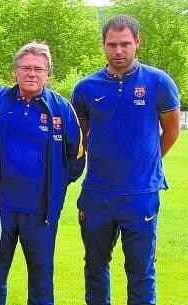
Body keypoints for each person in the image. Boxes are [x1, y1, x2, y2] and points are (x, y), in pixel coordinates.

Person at [71, 15, 181, 305]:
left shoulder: (159, 82)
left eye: (125, 44)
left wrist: (147, 162)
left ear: (137, 43)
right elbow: (80, 137)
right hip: (97, 194)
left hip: (141, 195)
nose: (118, 51)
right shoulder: (85, 88)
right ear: (103, 45)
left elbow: (171, 130)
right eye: (112, 45)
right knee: (95, 268)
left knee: (141, 272)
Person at [0, 42, 85, 305]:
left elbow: (77, 158)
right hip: (0, 209)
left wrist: (56, 184)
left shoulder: (61, 108)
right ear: (15, 71)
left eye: (39, 69)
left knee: (40, 281)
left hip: (41, 214)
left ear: (47, 74)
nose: (32, 74)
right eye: (26, 68)